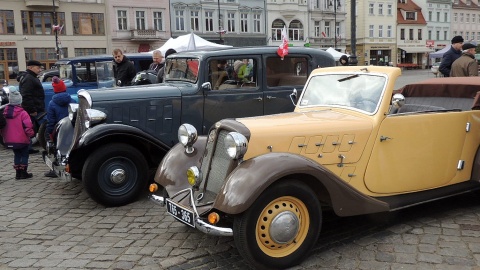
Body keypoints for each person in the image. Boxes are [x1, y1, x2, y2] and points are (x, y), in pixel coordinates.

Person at [44, 76, 76, 178]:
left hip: (58, 129)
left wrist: (49, 132)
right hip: (70, 129)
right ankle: (70, 167)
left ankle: (58, 170)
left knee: (55, 150)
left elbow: (51, 120)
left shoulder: (52, 103)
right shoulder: (72, 100)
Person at [1, 88, 35, 179]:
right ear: (20, 101)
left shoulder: (5, 112)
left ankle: (17, 173)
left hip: (9, 139)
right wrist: (31, 135)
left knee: (17, 155)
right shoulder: (23, 113)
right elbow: (28, 126)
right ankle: (23, 172)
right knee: (24, 154)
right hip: (22, 139)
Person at [18, 59, 45, 154]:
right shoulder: (29, 78)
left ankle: (29, 146)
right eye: (38, 68)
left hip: (36, 107)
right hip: (33, 109)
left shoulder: (31, 77)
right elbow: (26, 95)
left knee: (30, 127)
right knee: (30, 127)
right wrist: (32, 109)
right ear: (30, 67)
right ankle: (28, 147)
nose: (40, 70)